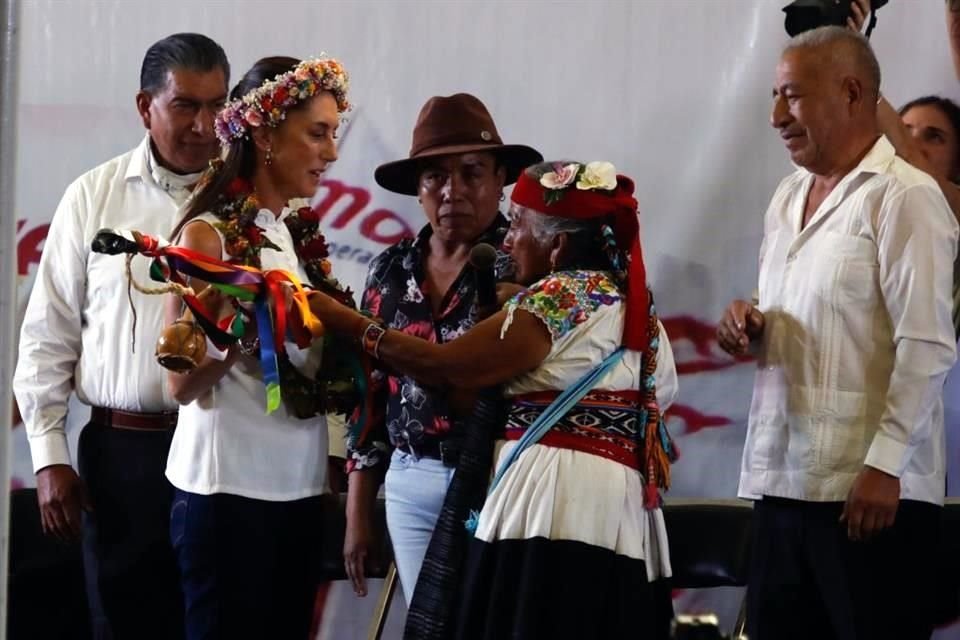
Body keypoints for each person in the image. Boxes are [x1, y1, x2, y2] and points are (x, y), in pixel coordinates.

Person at [303, 159, 679, 638]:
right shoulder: (633, 309)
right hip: (618, 516)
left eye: (519, 225)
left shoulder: (561, 298)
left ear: (558, 244)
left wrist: (351, 324)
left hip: (552, 508)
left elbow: (447, 367)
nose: (507, 239)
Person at [717, 26, 958, 639]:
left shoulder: (907, 197)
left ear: (851, 92)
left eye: (792, 96)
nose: (775, 115)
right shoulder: (786, 196)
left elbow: (926, 345)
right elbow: (806, 315)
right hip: (781, 483)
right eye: (774, 95)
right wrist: (753, 321)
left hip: (873, 499)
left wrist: (884, 466)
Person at [13, 33, 229, 640]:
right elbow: (47, 335)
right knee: (126, 621)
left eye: (217, 106)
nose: (204, 125)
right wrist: (50, 456)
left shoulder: (248, 204)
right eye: (186, 105)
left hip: (223, 451)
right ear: (145, 106)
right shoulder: (93, 196)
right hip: (123, 458)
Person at [163, 55, 348, 639]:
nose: (332, 152)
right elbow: (179, 383)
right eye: (317, 133)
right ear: (265, 134)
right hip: (228, 494)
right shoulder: (208, 234)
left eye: (334, 134)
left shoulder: (290, 234)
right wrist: (243, 326)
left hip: (297, 486)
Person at [342, 93, 542, 603]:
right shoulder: (388, 271)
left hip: (501, 477)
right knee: (426, 624)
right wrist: (359, 511)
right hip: (409, 480)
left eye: (472, 172)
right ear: (418, 187)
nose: (453, 190)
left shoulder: (525, 266)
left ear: (502, 180)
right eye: (435, 176)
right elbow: (369, 396)